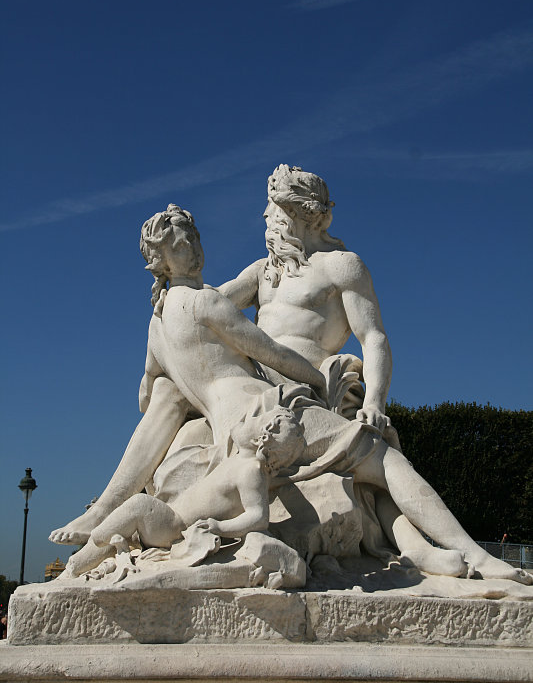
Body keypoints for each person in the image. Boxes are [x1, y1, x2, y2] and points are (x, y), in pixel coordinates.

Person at [50, 180, 531, 585]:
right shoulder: (263, 273)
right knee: (172, 394)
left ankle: (463, 554)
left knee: (376, 465)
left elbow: (375, 339)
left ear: (303, 216)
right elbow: (211, 310)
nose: (267, 224)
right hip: (263, 400)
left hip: (305, 394)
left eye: (273, 214)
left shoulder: (342, 266)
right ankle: (108, 513)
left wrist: (375, 401)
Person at [59, 408, 305, 579]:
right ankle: (79, 562)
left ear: (263, 435)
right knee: (119, 529)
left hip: (173, 527)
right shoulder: (240, 460)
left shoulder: (250, 471)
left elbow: (259, 516)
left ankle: (91, 541)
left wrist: (219, 527)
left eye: (258, 417)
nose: (251, 416)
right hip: (169, 518)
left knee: (137, 505)